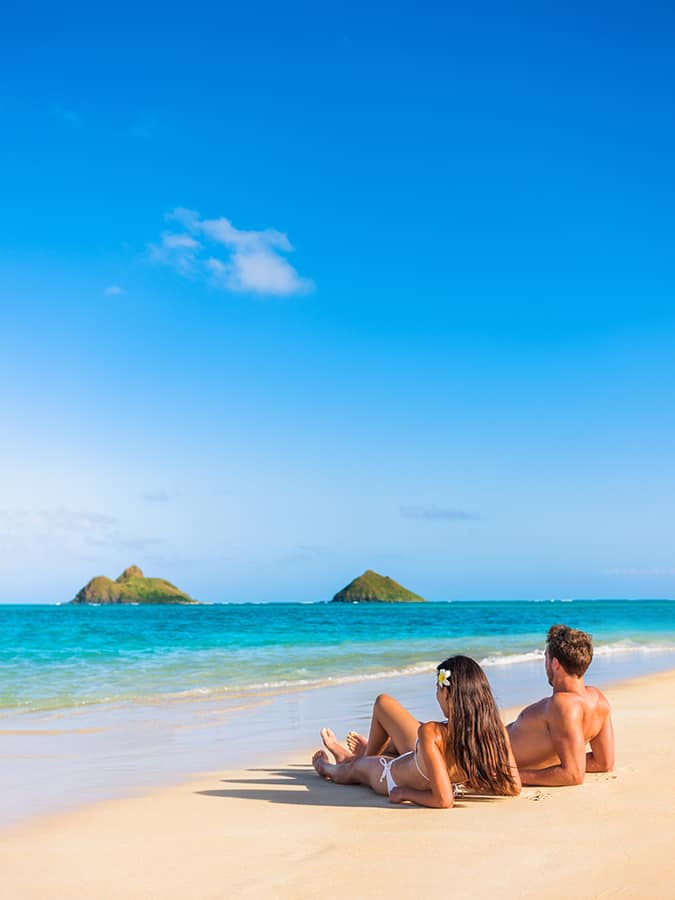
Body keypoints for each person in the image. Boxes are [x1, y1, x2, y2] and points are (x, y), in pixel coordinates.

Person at [312, 655, 521, 808]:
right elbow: (514, 787)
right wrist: (474, 781)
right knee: (386, 728)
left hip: (390, 774)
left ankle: (326, 767)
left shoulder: (432, 732)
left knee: (355, 769)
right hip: (422, 767)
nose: (437, 695)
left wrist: (405, 793)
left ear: (448, 693)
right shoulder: (495, 731)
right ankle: (354, 755)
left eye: (438, 689)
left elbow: (443, 800)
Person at [506, 623, 614, 786]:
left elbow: (573, 775)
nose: (545, 664)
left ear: (555, 664)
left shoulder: (562, 705)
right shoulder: (598, 700)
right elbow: (604, 763)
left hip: (479, 758)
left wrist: (512, 775)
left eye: (546, 657)